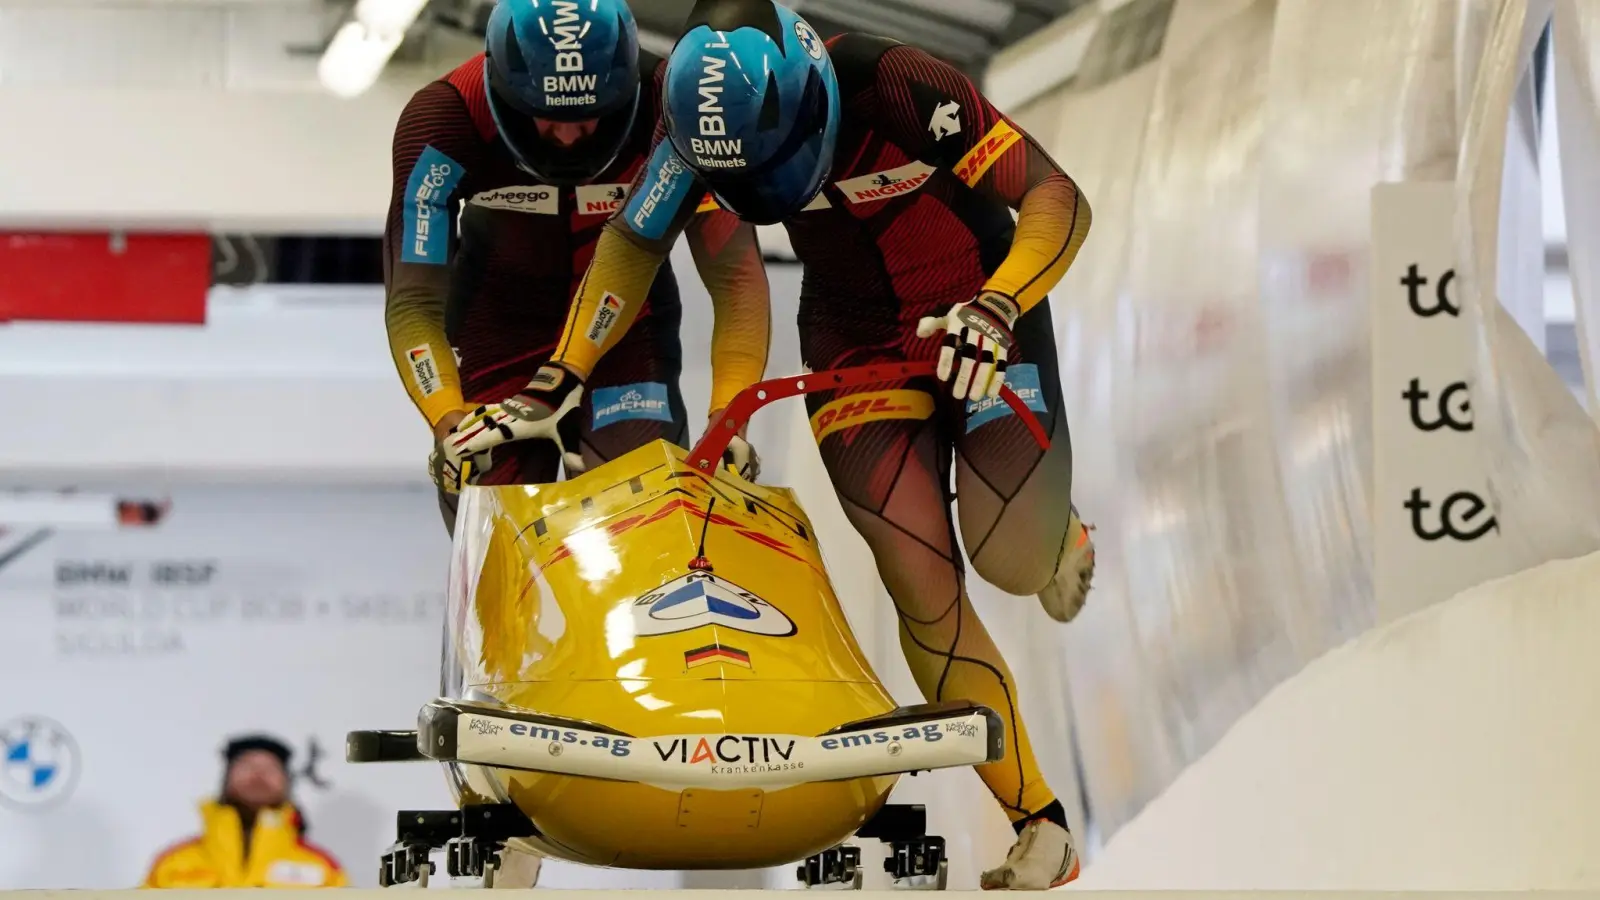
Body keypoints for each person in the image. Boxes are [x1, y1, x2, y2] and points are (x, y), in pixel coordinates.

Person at [444, 0, 1096, 888]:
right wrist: (560, 375)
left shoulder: (898, 82)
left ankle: (1061, 534)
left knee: (1013, 562)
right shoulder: (687, 134)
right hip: (852, 338)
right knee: (923, 589)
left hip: (980, 313)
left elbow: (1055, 196)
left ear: (816, 96)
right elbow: (631, 246)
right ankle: (1039, 819)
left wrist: (999, 305)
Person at [386, 0, 770, 534]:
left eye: (588, 118)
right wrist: (447, 417)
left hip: (626, 342)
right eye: (547, 117)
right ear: (502, 89)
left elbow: (735, 279)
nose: (568, 138)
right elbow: (414, 301)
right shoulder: (446, 117)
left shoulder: (677, 103)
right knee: (500, 537)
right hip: (498, 341)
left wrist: (728, 419)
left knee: (645, 535)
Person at [142, 735, 346, 888]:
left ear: (287, 782)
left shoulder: (322, 867)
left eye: (270, 768)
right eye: (247, 766)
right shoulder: (174, 863)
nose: (258, 775)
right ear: (226, 777)